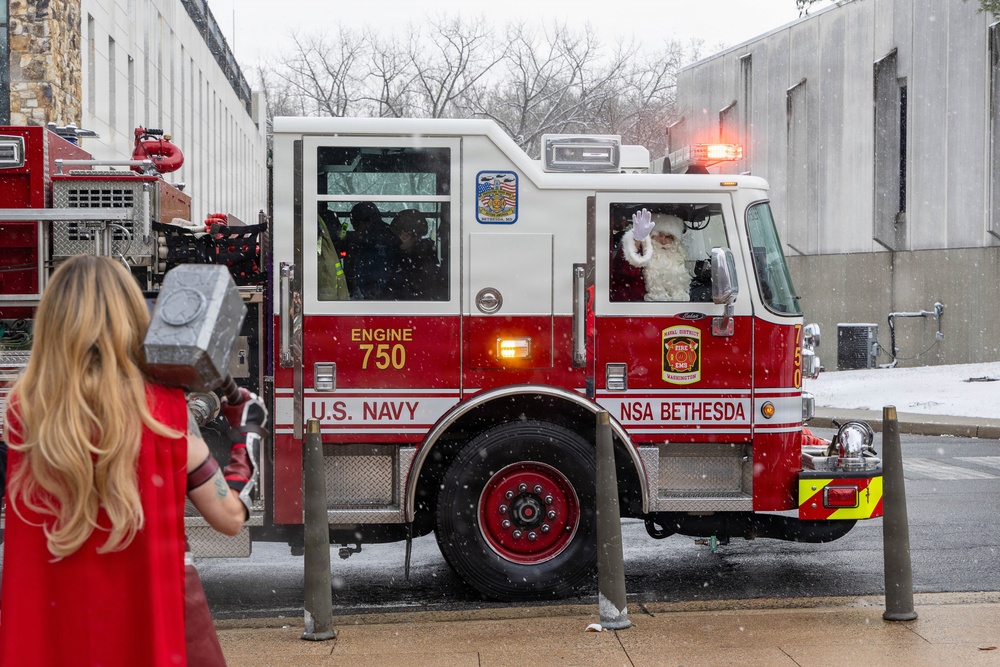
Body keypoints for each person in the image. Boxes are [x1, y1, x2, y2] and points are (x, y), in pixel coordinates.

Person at [0, 255, 262, 666]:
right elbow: (229, 518)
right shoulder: (164, 413)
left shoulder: (23, 414)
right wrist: (247, 436)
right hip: (148, 637)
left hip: (52, 637)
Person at [617, 208, 692, 302]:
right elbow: (625, 270)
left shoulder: (676, 258)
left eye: (669, 237)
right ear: (651, 235)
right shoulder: (640, 253)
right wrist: (637, 240)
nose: (663, 241)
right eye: (660, 235)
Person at [341, 201, 400, 300]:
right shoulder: (389, 234)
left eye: (354, 223)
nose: (354, 228)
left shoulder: (367, 239)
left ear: (364, 221)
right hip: (387, 293)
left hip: (373, 293)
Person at [388, 208, 442, 300]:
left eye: (394, 235)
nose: (390, 239)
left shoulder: (418, 261)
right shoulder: (424, 253)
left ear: (406, 235)